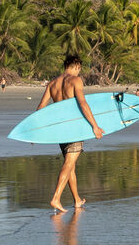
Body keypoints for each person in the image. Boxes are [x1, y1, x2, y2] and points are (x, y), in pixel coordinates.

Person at [35, 54, 104, 213]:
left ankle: (77, 200)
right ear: (77, 66)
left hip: (61, 131)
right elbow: (83, 104)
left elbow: (40, 109)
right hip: (74, 129)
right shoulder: (75, 81)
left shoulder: (52, 83)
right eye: (79, 69)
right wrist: (95, 126)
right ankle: (56, 198)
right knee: (68, 165)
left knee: (70, 165)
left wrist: (35, 132)